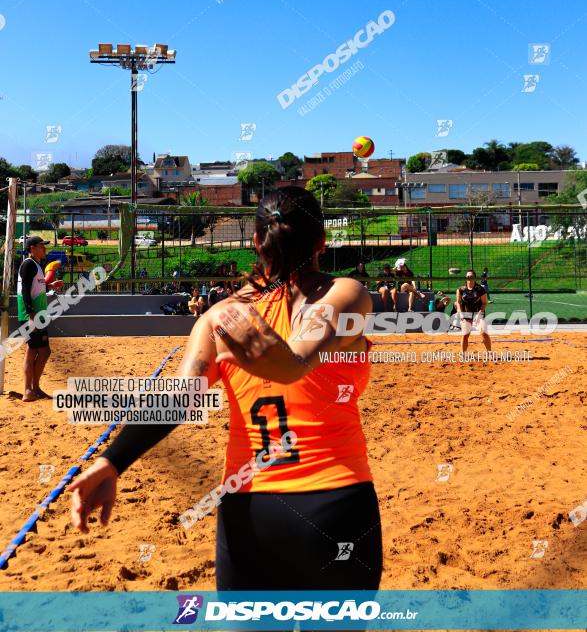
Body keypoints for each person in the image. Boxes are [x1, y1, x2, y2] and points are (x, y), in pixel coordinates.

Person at [68, 187, 382, 592]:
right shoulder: (348, 294)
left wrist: (113, 460)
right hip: (336, 505)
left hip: (250, 512)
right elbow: (297, 360)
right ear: (322, 241)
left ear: (255, 243)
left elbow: (178, 399)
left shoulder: (222, 315)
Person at [17, 236, 63, 402]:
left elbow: (35, 286)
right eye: (42, 246)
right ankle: (28, 390)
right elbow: (25, 291)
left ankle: (34, 388)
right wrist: (31, 316)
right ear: (33, 248)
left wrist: (50, 286)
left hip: (38, 314)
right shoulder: (28, 264)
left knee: (43, 351)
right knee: (33, 351)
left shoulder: (36, 264)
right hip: (31, 315)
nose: (45, 249)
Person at [455, 270, 491, 353]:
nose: (469, 278)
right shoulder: (461, 289)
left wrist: (479, 314)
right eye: (467, 277)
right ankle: (463, 355)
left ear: (474, 278)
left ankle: (489, 352)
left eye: (471, 277)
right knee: (465, 335)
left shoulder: (480, 289)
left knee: (483, 333)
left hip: (477, 313)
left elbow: (484, 303)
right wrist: (460, 314)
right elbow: (458, 302)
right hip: (466, 314)